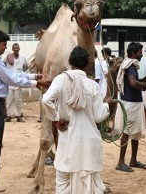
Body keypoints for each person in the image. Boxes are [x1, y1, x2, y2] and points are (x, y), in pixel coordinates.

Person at [0, 29, 50, 194]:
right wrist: (38, 84)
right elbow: (11, 78)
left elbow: (11, 73)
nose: (5, 47)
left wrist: (34, 76)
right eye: (3, 44)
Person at [42, 46, 112, 193]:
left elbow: (46, 100)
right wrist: (107, 105)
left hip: (68, 141)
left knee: (63, 181)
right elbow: (99, 116)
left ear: (69, 61)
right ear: (87, 64)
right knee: (90, 183)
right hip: (89, 143)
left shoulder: (60, 80)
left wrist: (56, 119)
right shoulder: (92, 85)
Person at [115, 42, 146, 172]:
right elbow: (133, 83)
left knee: (135, 132)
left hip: (132, 102)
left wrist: (145, 78)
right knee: (127, 132)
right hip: (131, 103)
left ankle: (133, 160)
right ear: (133, 53)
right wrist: (143, 85)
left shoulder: (128, 64)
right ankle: (121, 162)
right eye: (139, 52)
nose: (141, 54)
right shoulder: (131, 65)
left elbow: (131, 82)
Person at [4, 43, 28, 122]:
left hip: (18, 82)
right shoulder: (8, 57)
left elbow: (26, 67)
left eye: (17, 49)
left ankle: (18, 116)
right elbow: (2, 64)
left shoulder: (23, 58)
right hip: (10, 82)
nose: (16, 50)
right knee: (9, 99)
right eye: (14, 49)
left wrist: (21, 75)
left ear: (19, 49)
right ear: (12, 49)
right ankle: (8, 116)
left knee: (18, 99)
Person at [138, 51, 146, 129]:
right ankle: (145, 123)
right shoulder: (145, 60)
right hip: (139, 84)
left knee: (144, 104)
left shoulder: (145, 60)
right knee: (143, 103)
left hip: (141, 84)